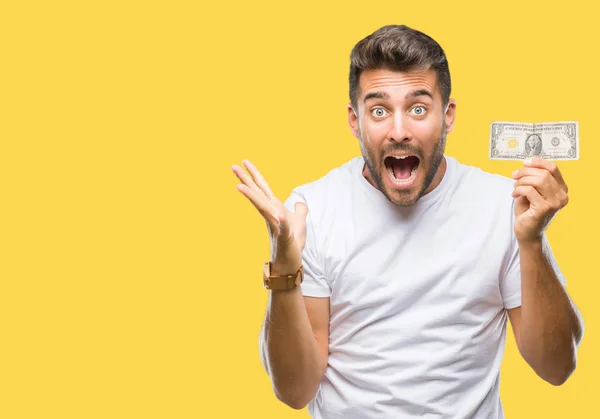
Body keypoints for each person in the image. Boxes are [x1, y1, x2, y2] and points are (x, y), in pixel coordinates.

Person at [231, 25, 584, 419]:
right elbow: (296, 390)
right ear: (355, 121)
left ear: (447, 116)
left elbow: (556, 368)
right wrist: (284, 270)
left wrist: (531, 241)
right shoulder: (312, 209)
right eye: (379, 110)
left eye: (418, 109)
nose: (399, 131)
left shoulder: (503, 206)